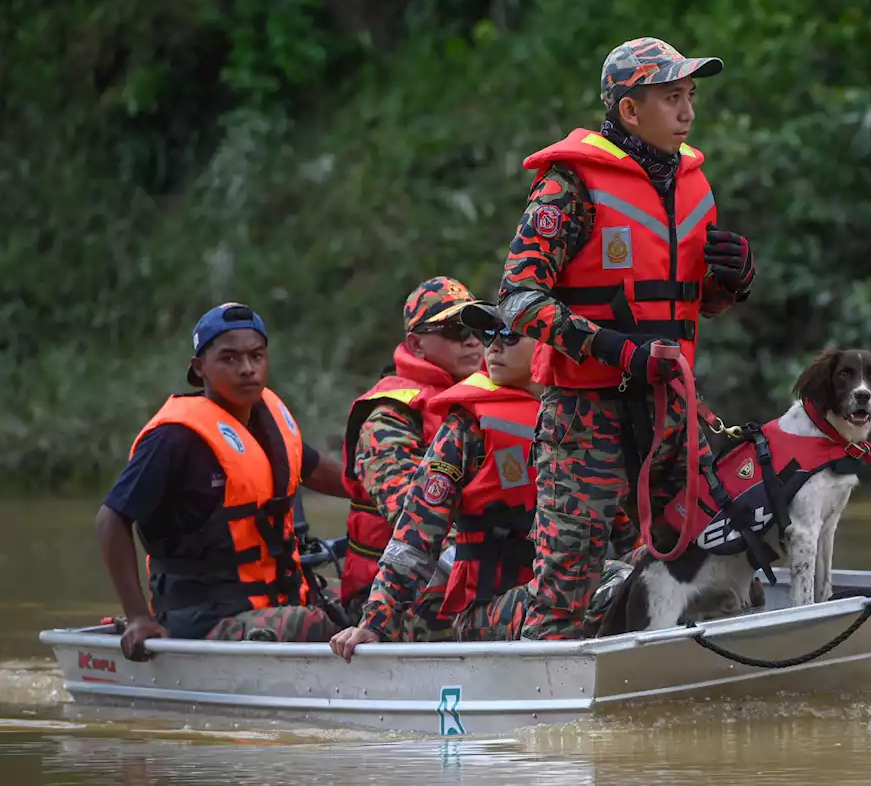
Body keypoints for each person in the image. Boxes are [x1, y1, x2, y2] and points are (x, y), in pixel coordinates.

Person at [491, 37, 756, 640]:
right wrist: (614, 349)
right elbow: (518, 296)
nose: (688, 111)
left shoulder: (692, 182)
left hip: (670, 411)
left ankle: (685, 685)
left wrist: (732, 283)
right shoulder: (570, 186)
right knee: (568, 574)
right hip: (586, 416)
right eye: (671, 98)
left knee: (691, 557)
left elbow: (694, 302)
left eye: (689, 96)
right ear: (629, 110)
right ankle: (544, 714)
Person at [95, 303, 351, 661]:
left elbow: (318, 470)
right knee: (321, 627)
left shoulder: (266, 420)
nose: (247, 369)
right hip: (206, 618)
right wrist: (138, 617)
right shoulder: (174, 438)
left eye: (256, 356)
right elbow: (111, 520)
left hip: (279, 599)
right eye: (229, 359)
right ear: (200, 369)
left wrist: (387, 497)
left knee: (374, 603)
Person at [330, 303, 543, 659]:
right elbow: (413, 525)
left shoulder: (573, 413)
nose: (479, 344)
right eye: (459, 333)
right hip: (428, 592)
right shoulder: (405, 419)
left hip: (545, 579)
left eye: (499, 332)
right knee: (574, 594)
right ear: (416, 345)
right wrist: (376, 620)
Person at [340, 277, 484, 626]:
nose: (470, 339)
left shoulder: (493, 396)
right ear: (416, 344)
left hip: (473, 569)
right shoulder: (387, 420)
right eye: (451, 329)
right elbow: (415, 518)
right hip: (390, 593)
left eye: (477, 324)